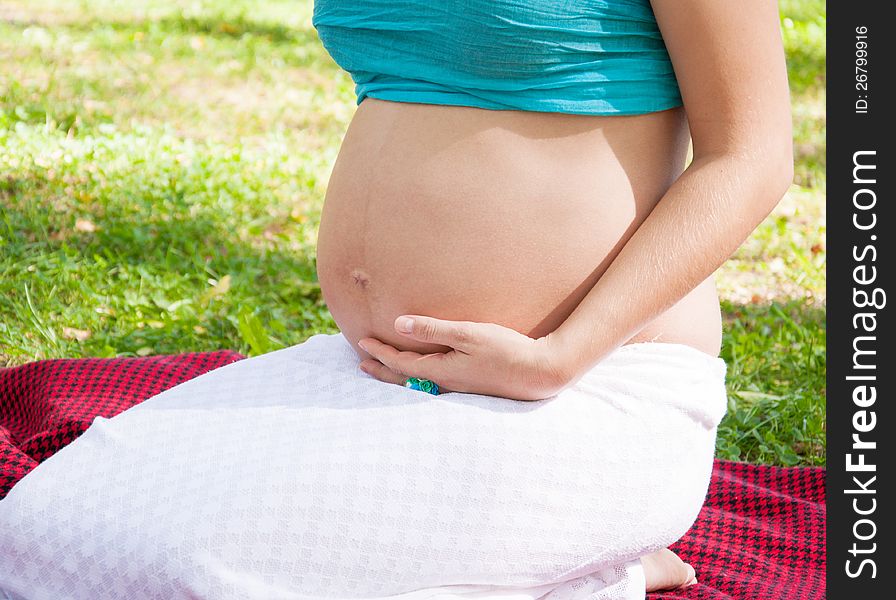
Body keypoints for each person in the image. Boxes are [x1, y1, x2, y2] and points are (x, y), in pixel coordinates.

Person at [0, 1, 792, 598]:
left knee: (195, 572)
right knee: (42, 532)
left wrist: (558, 358)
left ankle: (600, 553)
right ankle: (563, 563)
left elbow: (751, 157)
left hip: (589, 385)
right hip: (381, 372)